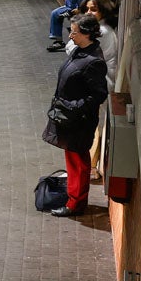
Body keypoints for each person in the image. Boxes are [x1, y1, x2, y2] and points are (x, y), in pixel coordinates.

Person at [43, 14, 109, 217]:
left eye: (74, 31)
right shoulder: (81, 52)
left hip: (78, 121)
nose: (70, 35)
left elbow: (99, 94)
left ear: (87, 34)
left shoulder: (93, 61)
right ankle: (74, 198)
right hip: (71, 118)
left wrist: (74, 107)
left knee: (78, 162)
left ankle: (76, 203)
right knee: (73, 159)